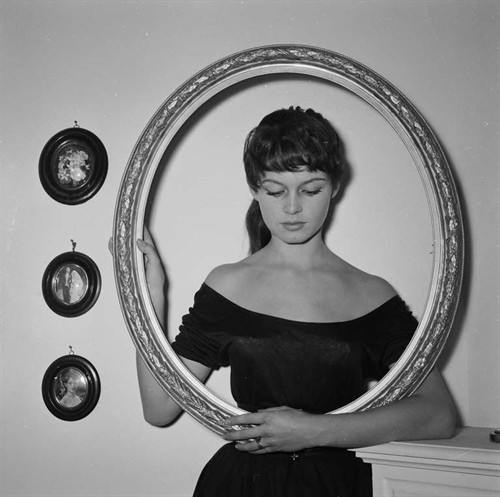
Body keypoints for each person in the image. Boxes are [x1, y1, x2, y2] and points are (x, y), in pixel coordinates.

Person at [135, 107, 458, 497]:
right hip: (242, 487)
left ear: (335, 186)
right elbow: (159, 408)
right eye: (275, 191)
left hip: (337, 487)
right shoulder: (227, 285)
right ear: (255, 188)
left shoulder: (373, 294)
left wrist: (313, 430)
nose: (292, 208)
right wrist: (150, 297)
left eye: (310, 189)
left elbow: (438, 414)